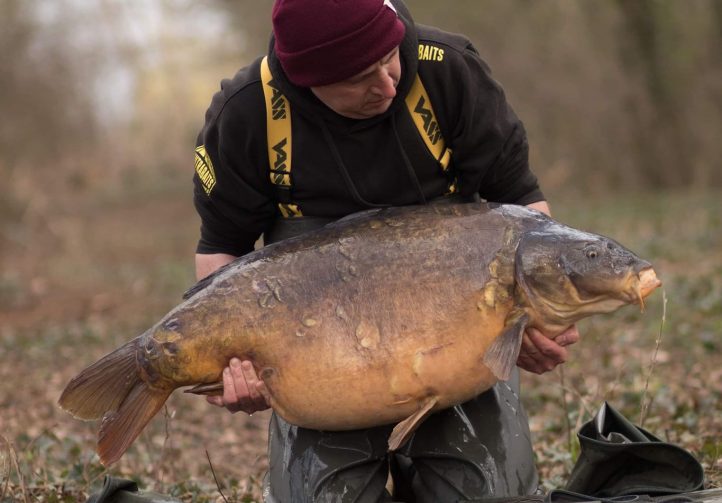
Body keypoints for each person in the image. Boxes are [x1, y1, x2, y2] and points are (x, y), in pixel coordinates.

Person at [192, 0, 580, 501]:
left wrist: (532, 313)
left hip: (455, 324)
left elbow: (523, 204)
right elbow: (220, 251)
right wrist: (231, 364)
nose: (388, 83)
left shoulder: (449, 70)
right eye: (359, 77)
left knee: (484, 492)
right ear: (305, 79)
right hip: (322, 341)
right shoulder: (247, 112)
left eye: (390, 56)